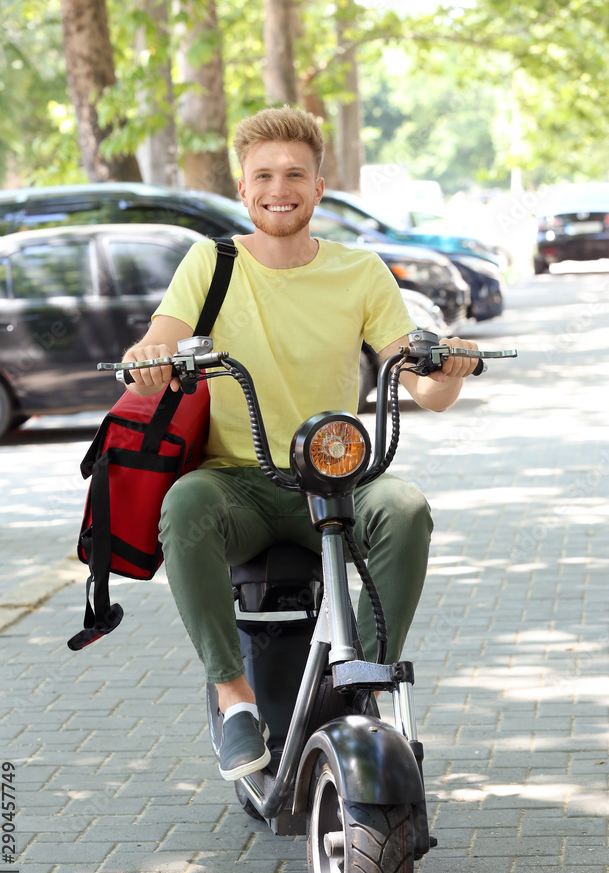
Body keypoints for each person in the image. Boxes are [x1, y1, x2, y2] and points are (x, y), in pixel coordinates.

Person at [122, 105, 479, 781]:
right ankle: (234, 699)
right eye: (262, 175)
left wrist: (448, 367)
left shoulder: (361, 271)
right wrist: (148, 357)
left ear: (319, 187)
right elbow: (159, 344)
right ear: (242, 188)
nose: (277, 187)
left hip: (337, 476)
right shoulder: (211, 263)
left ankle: (362, 681)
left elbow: (422, 385)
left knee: (405, 508)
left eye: (294, 174)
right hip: (240, 484)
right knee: (185, 506)